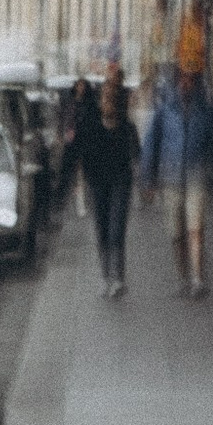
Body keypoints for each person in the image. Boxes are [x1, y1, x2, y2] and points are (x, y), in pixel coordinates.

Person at [140, 14, 213, 298]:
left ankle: (199, 279)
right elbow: (151, 144)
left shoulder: (207, 110)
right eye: (184, 77)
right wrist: (147, 179)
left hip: (196, 172)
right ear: (178, 80)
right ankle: (182, 278)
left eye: (193, 78)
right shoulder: (166, 110)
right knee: (176, 232)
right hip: (170, 175)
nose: (188, 83)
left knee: (195, 227)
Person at [69, 58, 137, 300]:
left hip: (120, 182)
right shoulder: (90, 123)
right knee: (103, 229)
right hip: (97, 182)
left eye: (111, 98)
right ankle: (106, 275)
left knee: (117, 229)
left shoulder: (126, 127)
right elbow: (78, 151)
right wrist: (78, 178)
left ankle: (118, 278)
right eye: (104, 98)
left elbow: (135, 153)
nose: (107, 102)